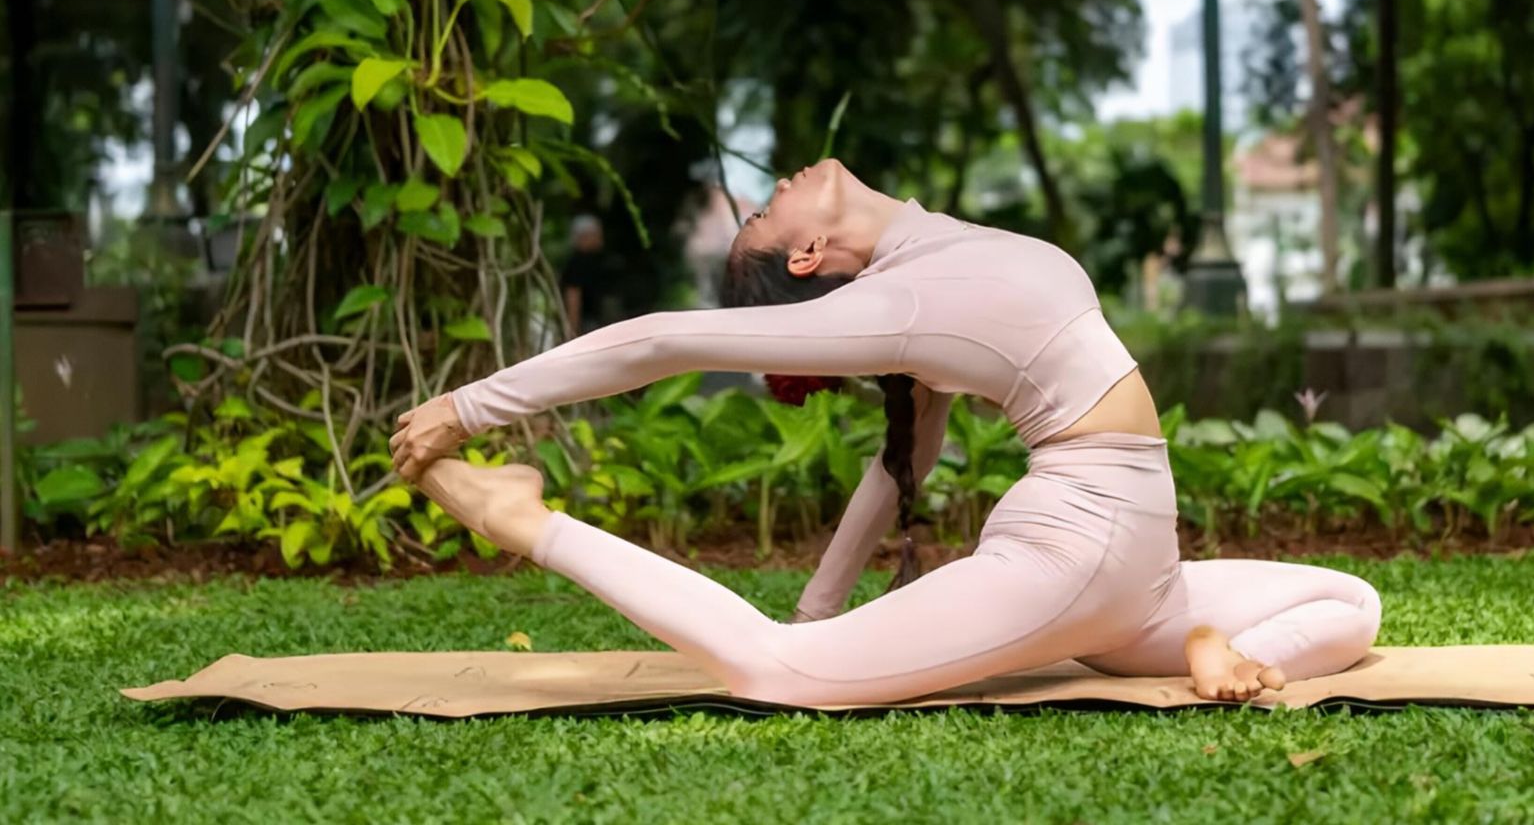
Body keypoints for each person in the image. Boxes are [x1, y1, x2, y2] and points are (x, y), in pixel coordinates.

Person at [389, 159, 1380, 706]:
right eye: (771, 215)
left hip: (1139, 573)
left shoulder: (941, 256)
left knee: (1352, 603)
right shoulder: (898, 302)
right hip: (1082, 546)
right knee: (779, 671)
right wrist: (470, 406)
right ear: (812, 255)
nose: (775, 184)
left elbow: (906, 456)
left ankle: (1212, 644)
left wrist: (825, 602)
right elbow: (657, 341)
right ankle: (525, 519)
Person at [560, 214, 614, 338]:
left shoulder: (596, 260)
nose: (600, 240)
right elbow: (573, 295)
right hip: (587, 323)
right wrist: (573, 328)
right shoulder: (577, 263)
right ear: (583, 237)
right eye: (595, 235)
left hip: (597, 320)